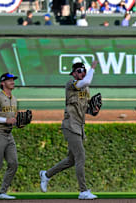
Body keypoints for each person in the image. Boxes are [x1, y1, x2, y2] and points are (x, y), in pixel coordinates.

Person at [39, 61, 100, 200]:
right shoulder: (71, 84)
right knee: (81, 156)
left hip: (79, 125)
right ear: (73, 74)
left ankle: (46, 175)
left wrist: (94, 111)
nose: (82, 73)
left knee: (71, 160)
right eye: (79, 71)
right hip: (70, 125)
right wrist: (92, 68)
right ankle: (83, 191)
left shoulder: (85, 89)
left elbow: (85, 109)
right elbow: (86, 81)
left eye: (83, 71)